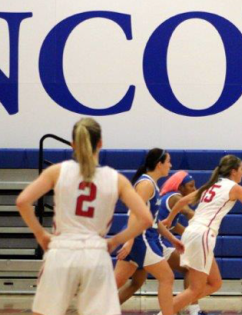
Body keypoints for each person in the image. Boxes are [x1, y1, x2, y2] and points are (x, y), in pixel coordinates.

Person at [15, 117, 153, 315]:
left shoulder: (57, 171)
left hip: (61, 251)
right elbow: (146, 219)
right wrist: (115, 241)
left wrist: (41, 235)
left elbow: (22, 202)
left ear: (73, 144)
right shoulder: (116, 179)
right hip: (95, 253)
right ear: (100, 144)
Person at [161, 155, 242, 313]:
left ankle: (177, 304)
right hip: (203, 234)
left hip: (192, 233)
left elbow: (181, 202)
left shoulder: (211, 184)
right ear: (234, 171)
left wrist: (169, 219)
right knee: (195, 289)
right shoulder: (235, 188)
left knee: (215, 283)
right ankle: (166, 310)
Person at [117, 171, 200, 315]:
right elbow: (189, 213)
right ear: (180, 187)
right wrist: (205, 224)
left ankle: (100, 308)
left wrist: (182, 237)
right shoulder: (175, 197)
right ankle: (189, 310)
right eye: (190, 186)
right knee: (187, 270)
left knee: (135, 283)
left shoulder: (164, 197)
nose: (193, 189)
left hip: (145, 239)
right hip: (151, 241)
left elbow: (170, 225)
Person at [114, 148, 183, 315]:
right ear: (159, 164)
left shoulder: (152, 184)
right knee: (167, 277)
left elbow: (154, 220)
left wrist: (172, 239)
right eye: (168, 162)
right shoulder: (146, 184)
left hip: (141, 235)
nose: (170, 165)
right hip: (140, 237)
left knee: (114, 284)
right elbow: (133, 212)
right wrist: (130, 241)